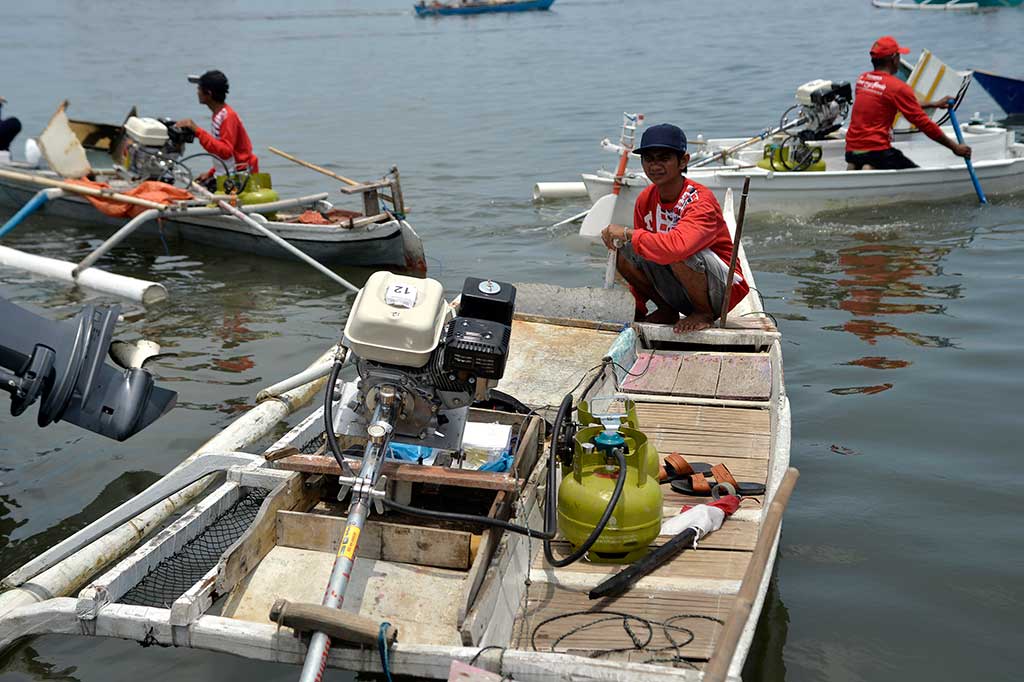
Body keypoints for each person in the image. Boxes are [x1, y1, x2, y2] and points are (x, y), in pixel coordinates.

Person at [601, 123, 749, 333]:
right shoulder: (645, 199)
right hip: (680, 285)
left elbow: (678, 248)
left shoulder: (700, 200)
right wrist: (637, 309)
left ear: (683, 161)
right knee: (623, 248)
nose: (655, 166)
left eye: (664, 158)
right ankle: (666, 309)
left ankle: (703, 314)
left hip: (721, 292)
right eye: (649, 159)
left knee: (676, 249)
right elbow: (641, 252)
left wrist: (627, 232)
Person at [845, 36, 971, 170]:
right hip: (877, 152)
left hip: (851, 151)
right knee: (915, 172)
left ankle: (864, 167)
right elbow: (924, 124)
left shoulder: (863, 80)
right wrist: (955, 147)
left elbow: (889, 104)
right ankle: (869, 167)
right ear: (894, 59)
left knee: (870, 160)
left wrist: (933, 104)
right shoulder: (897, 87)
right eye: (899, 56)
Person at [174, 70, 259, 184]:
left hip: (240, 175)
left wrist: (198, 131)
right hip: (227, 172)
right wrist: (211, 172)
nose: (197, 92)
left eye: (199, 89)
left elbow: (226, 152)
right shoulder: (218, 114)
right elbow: (226, 154)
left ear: (209, 94)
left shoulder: (227, 116)